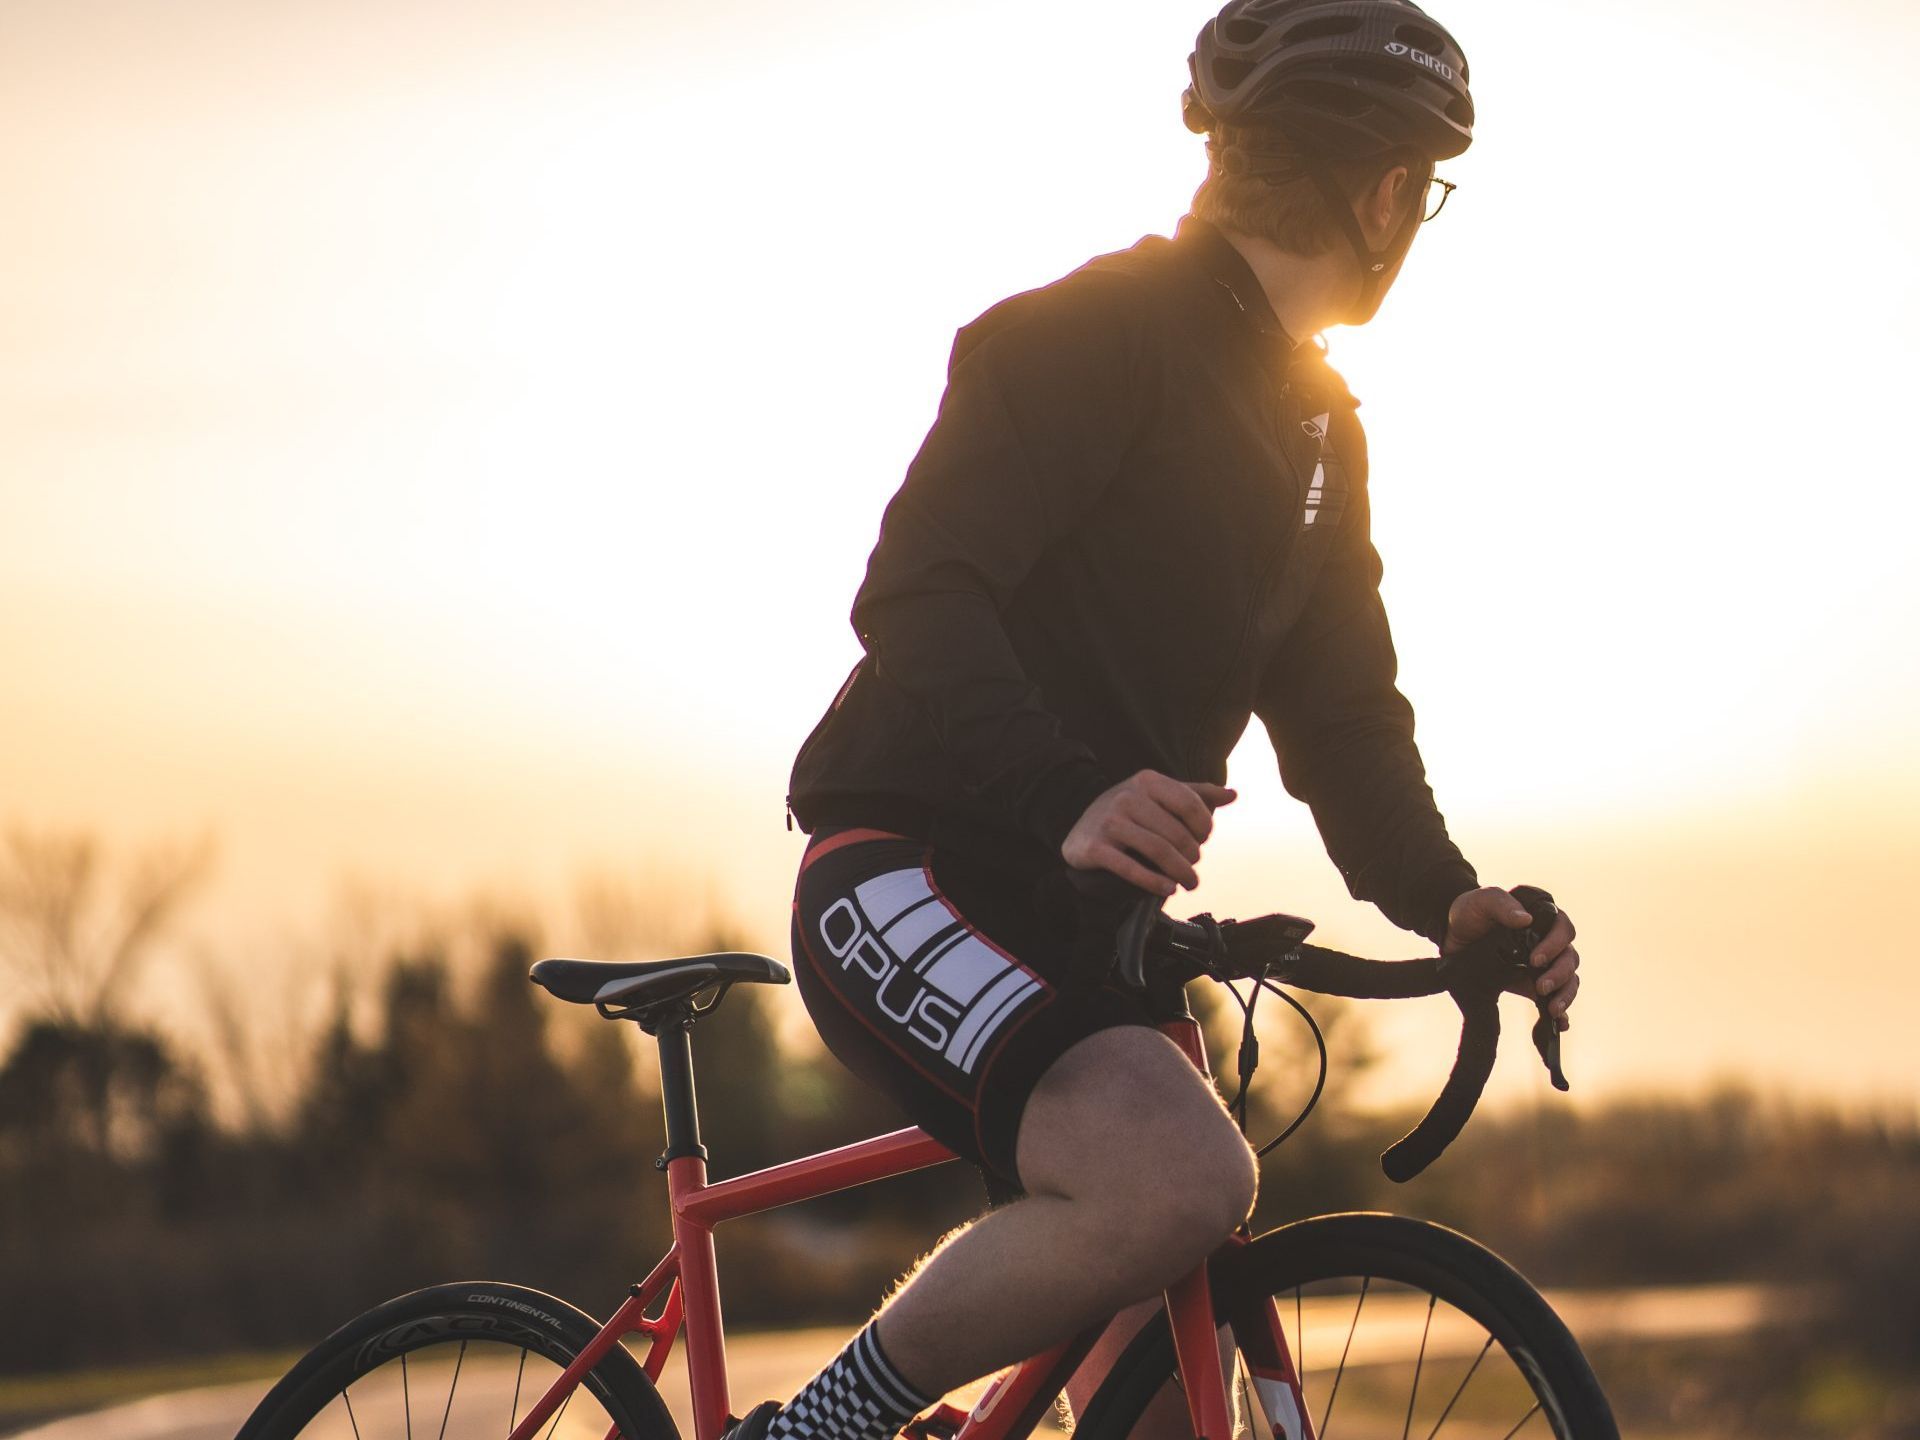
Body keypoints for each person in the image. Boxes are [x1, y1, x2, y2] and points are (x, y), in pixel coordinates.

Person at [756, 3, 1582, 1439]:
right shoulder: (1094, 338)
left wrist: (1450, 899)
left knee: (1162, 1399)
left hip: (1089, 928)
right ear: (1387, 192)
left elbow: (1343, 722)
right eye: (1423, 193)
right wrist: (1067, 789)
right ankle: (812, 1432)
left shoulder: (1322, 430)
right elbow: (914, 591)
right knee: (1183, 1183)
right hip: (908, 868)